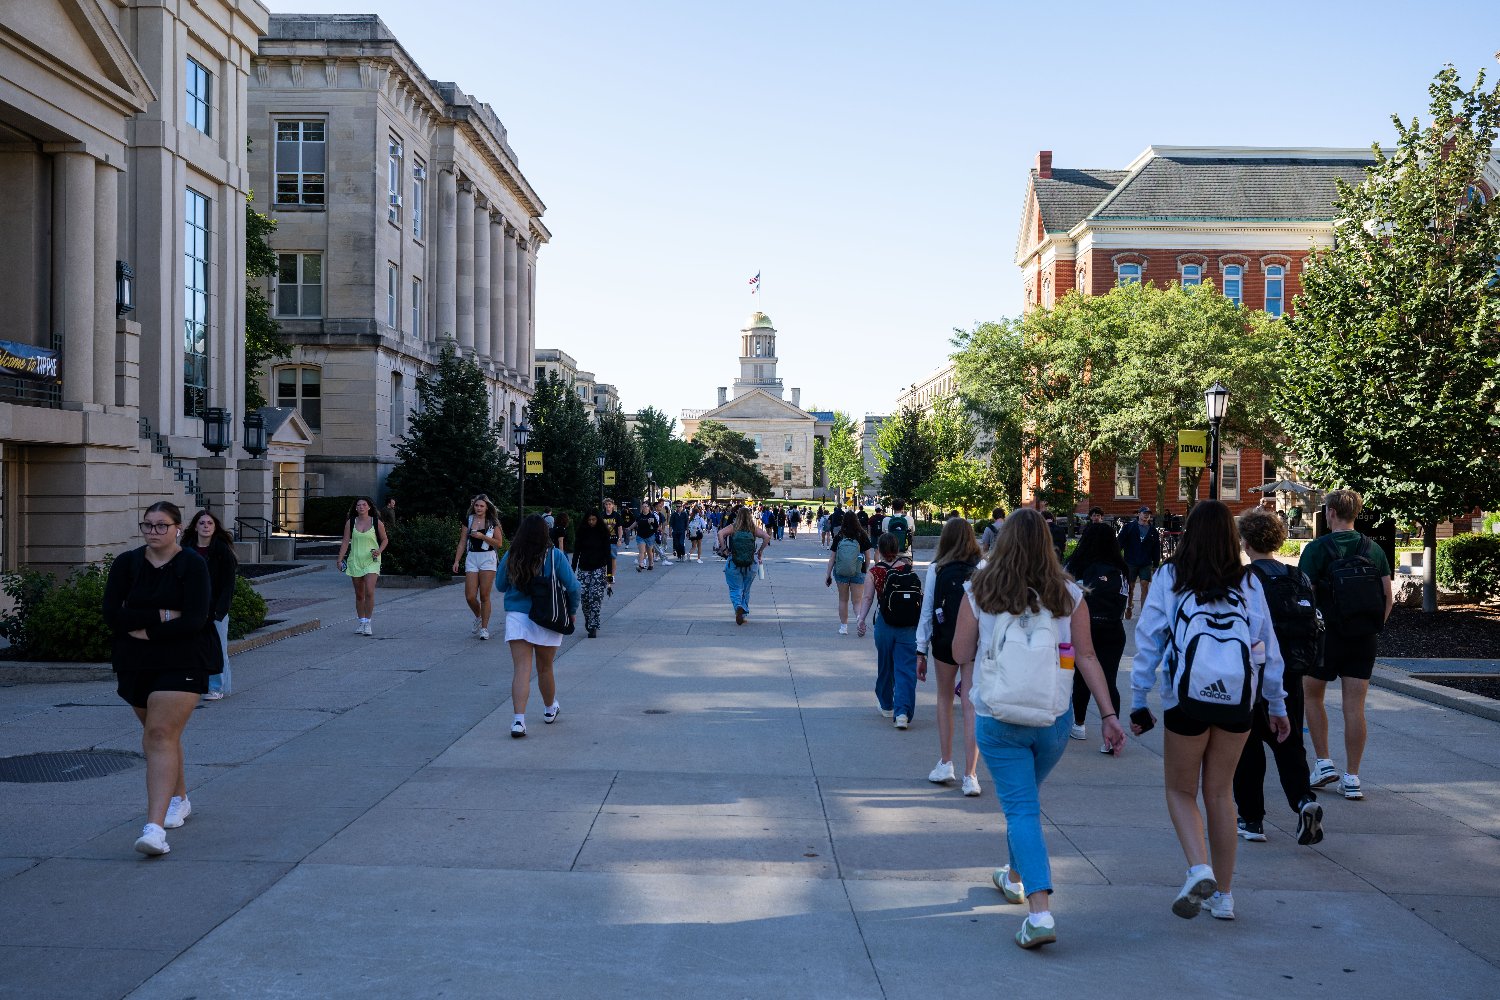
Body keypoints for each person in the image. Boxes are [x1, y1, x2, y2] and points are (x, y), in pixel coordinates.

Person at [949, 507, 1125, 949]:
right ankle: (1012, 876)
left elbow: (959, 652)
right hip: (1053, 720)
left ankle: (1040, 913)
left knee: (1021, 809)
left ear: (1003, 542)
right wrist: (1108, 715)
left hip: (998, 718)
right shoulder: (1069, 593)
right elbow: (1087, 656)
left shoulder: (980, 588)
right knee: (1024, 801)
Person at [1131, 500, 1290, 922]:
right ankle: (1225, 896)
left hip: (1185, 699)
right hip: (1239, 701)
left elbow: (1149, 638)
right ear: (1231, 537)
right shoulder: (1248, 580)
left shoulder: (1171, 575)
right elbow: (1268, 647)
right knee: (1220, 794)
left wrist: (1138, 697)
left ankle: (1198, 868)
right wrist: (1276, 703)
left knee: (1181, 791)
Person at [102, 501, 216, 856]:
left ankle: (154, 830)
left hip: (183, 659)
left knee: (160, 733)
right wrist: (164, 615)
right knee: (161, 737)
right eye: (148, 525)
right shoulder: (127, 564)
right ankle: (179, 799)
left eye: (161, 525)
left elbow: (195, 619)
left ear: (178, 528)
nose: (154, 531)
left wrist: (147, 628)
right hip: (135, 662)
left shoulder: (192, 565)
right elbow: (112, 614)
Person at [1234, 508, 1324, 846]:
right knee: (1289, 742)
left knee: (1247, 749)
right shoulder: (1297, 576)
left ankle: (1251, 819)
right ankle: (1302, 800)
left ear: (1245, 541)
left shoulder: (1245, 579)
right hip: (1291, 672)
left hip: (1254, 674)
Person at [1298, 489, 1393, 801]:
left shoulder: (1316, 549)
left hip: (1326, 637)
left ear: (1331, 513)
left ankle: (1324, 763)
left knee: (1312, 696)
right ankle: (1352, 777)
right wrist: (1372, 627)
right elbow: (1387, 598)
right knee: (1355, 707)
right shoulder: (1374, 549)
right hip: (1363, 638)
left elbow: (1306, 597)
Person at [915, 517, 983, 795]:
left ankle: (946, 763)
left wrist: (921, 649)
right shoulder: (982, 567)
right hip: (974, 641)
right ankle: (971, 775)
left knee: (944, 698)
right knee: (971, 704)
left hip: (944, 639)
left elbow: (927, 610)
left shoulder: (936, 568)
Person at [496, 514, 580, 737]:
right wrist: (572, 612)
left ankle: (518, 721)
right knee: (545, 668)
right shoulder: (554, 555)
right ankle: (549, 708)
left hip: (518, 616)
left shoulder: (512, 554)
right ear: (545, 532)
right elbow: (573, 587)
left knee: (521, 670)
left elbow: (500, 585)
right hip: (548, 616)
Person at [1064, 523, 1129, 752]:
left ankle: (1079, 724)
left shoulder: (1076, 564)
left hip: (1084, 626)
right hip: (1113, 629)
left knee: (1081, 678)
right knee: (1109, 680)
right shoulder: (1120, 568)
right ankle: (1112, 734)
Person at [856, 533, 921, 729]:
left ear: (879, 550)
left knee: (885, 665)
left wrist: (861, 619)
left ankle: (886, 705)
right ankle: (902, 713)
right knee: (905, 669)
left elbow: (868, 598)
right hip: (908, 625)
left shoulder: (875, 572)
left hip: (885, 624)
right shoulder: (907, 569)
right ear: (897, 547)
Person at [189, 509, 237, 700]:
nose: (206, 526)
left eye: (210, 523)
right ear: (195, 527)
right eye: (202, 523)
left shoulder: (222, 551)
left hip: (216, 609)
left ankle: (217, 687)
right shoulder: (186, 549)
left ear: (215, 527)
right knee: (195, 649)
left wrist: (220, 610)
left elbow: (228, 584)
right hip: (193, 609)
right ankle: (200, 684)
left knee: (217, 649)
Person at [451, 494, 504, 640]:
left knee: (484, 596)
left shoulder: (492, 521)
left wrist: (483, 537)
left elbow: (499, 543)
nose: (478, 508)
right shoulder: (468, 520)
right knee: (470, 596)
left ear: (487, 507)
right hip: (472, 557)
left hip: (488, 558)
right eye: (476, 505)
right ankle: (479, 616)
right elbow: (462, 541)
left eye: (481, 506)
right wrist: (457, 561)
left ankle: (484, 629)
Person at [337, 497, 387, 636]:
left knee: (369, 591)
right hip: (355, 560)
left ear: (369, 507)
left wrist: (379, 550)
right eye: (359, 505)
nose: (361, 507)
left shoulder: (376, 522)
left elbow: (385, 539)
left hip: (372, 560)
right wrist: (340, 559)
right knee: (359, 595)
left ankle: (368, 623)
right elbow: (345, 542)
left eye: (364, 505)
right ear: (356, 508)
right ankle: (362, 622)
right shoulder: (350, 522)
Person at [717, 505, 770, 625]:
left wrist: (724, 549)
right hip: (750, 562)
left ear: (738, 516)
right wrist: (760, 551)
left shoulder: (733, 527)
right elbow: (767, 537)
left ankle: (738, 606)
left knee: (735, 588)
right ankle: (743, 613)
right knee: (746, 589)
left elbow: (720, 533)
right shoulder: (752, 528)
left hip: (734, 561)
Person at [825, 510, 873, 635]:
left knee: (843, 600)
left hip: (841, 572)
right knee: (857, 601)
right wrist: (865, 569)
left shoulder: (840, 536)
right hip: (858, 571)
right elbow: (868, 556)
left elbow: (832, 557)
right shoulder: (862, 535)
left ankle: (843, 627)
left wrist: (828, 574)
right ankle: (859, 620)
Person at [572, 510, 613, 638]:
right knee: (584, 598)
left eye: (593, 520)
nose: (591, 522)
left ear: (598, 520)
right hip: (583, 569)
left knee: (595, 597)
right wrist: (572, 570)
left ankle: (593, 626)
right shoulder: (582, 532)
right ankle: (588, 619)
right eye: (589, 520)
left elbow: (608, 555)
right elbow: (576, 552)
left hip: (599, 569)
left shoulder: (603, 532)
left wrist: (609, 576)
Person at [1118, 505, 1161, 620]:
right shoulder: (1129, 527)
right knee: (1130, 586)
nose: (1146, 515)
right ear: (1138, 514)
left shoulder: (1153, 531)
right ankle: (1129, 607)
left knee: (1144, 585)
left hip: (1146, 562)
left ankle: (1144, 613)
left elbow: (1156, 548)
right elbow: (1119, 543)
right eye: (1144, 513)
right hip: (1130, 561)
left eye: (1148, 513)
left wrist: (1156, 564)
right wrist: (1117, 558)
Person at [633, 502, 658, 572]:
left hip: (650, 536)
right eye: (643, 506)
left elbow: (656, 526)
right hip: (640, 536)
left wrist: (652, 524)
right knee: (642, 551)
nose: (645, 508)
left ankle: (651, 564)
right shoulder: (640, 516)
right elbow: (635, 523)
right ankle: (641, 564)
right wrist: (629, 528)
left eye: (646, 506)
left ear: (649, 507)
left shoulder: (652, 516)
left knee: (649, 551)